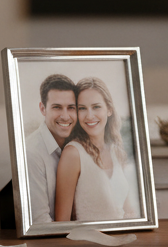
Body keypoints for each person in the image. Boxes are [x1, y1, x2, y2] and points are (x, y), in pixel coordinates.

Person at [55, 77, 139, 222]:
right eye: (82, 108)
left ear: (109, 109)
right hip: (90, 242)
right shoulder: (73, 153)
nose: (89, 115)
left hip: (121, 238)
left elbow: (128, 210)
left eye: (96, 107)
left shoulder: (116, 150)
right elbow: (62, 221)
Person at [25, 74, 78, 224]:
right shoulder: (31, 154)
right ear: (43, 108)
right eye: (57, 107)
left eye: (71, 108)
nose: (65, 116)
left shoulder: (77, 146)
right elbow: (40, 222)